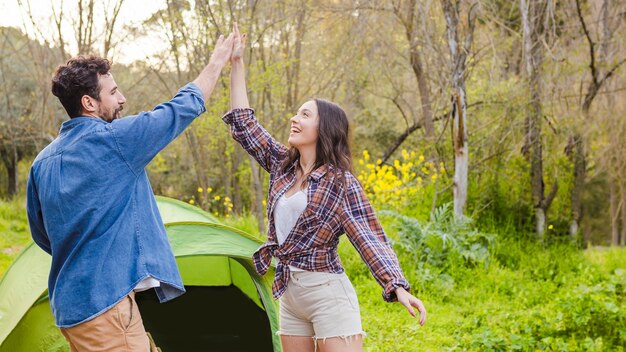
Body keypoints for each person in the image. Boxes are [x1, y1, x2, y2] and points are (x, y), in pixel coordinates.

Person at [222, 24, 426, 352]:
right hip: (290, 293)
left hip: (327, 293)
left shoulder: (341, 183)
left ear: (325, 128)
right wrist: (237, 64)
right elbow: (245, 123)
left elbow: (370, 238)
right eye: (296, 112)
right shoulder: (281, 166)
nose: (294, 118)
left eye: (305, 114)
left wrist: (397, 286)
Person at [26, 34, 234, 351]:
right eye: (113, 92)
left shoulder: (42, 164)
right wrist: (218, 59)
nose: (122, 98)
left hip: (71, 307)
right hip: (105, 307)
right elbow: (183, 107)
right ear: (89, 103)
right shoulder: (117, 142)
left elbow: (43, 235)